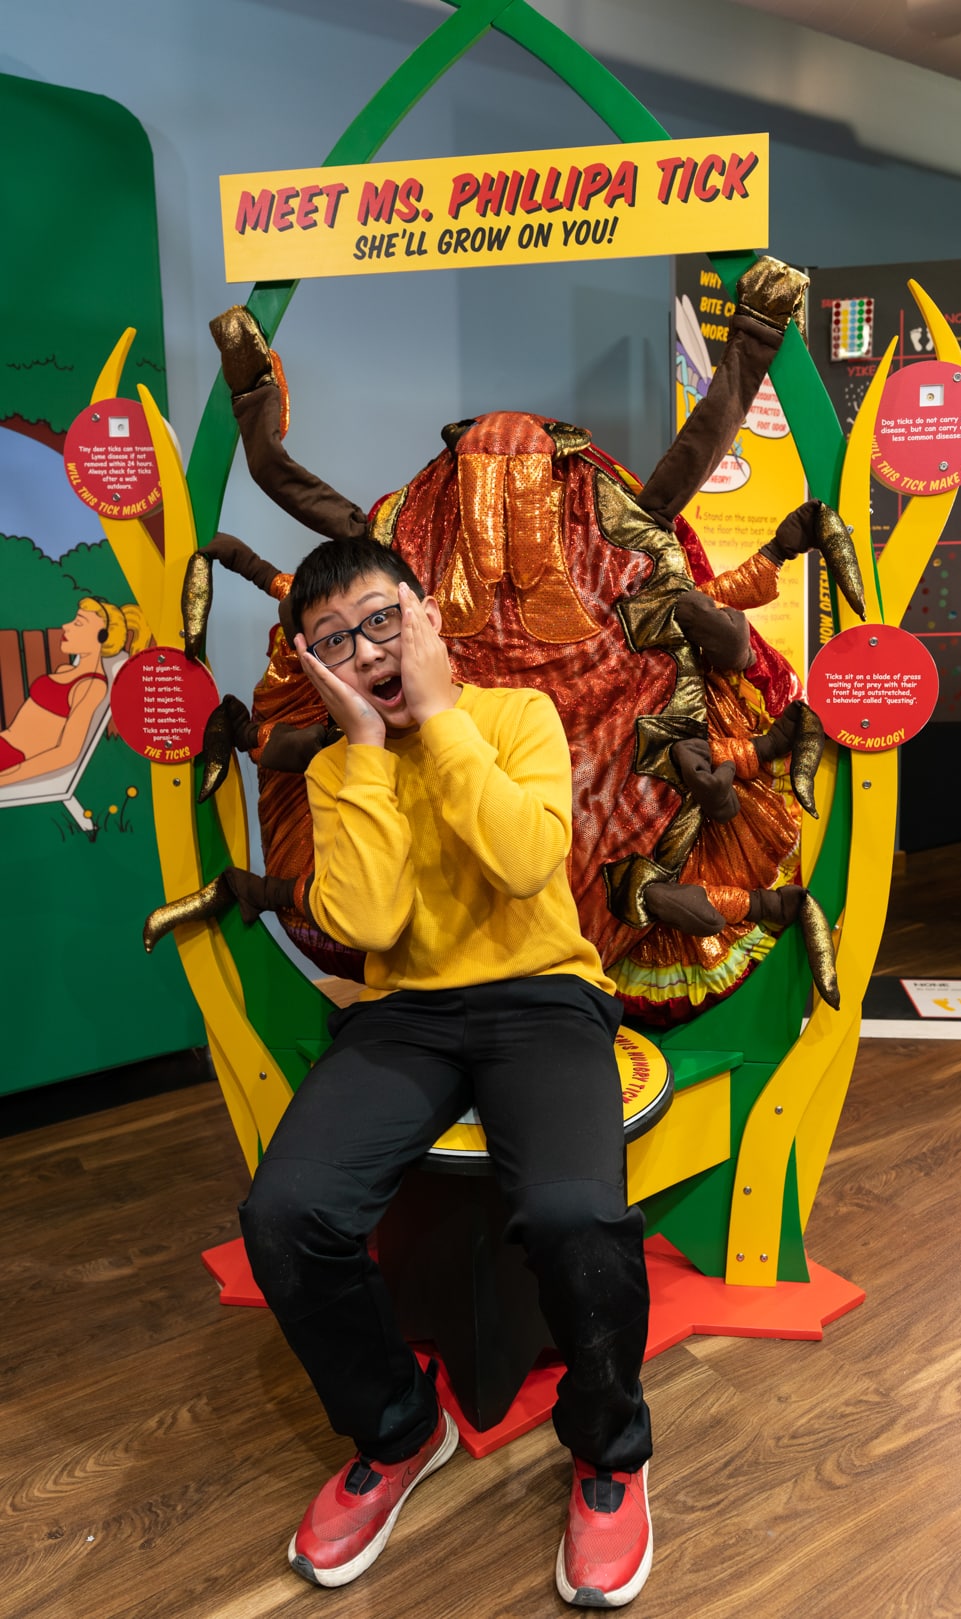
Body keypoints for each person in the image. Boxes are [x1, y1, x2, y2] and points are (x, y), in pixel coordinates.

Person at [238, 535, 654, 1608]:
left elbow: (523, 860)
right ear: (314, 668)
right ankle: (397, 1426)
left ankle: (610, 1450)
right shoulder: (338, 767)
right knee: (285, 1213)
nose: (366, 650)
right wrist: (369, 748)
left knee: (573, 1212)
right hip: (407, 1013)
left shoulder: (513, 716)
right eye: (333, 641)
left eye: (382, 620)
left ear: (426, 616)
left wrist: (440, 718)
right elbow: (368, 923)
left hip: (543, 995)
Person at [0, 597, 147, 784]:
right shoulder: (65, 670)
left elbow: (67, 753)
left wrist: (5, 778)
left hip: (14, 758)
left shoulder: (90, 687)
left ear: (101, 636)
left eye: (78, 623)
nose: (66, 626)